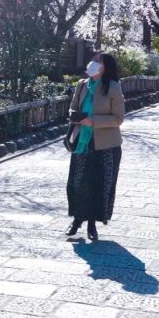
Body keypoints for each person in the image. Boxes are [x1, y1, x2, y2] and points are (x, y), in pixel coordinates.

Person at [66, 53, 125, 241]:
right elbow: (73, 106)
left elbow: (118, 118)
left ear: (105, 67)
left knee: (97, 184)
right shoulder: (82, 84)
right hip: (82, 140)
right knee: (78, 182)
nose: (93, 63)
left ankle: (92, 224)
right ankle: (77, 219)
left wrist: (94, 121)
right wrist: (75, 115)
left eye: (98, 61)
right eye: (93, 60)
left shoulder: (113, 87)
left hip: (105, 144)